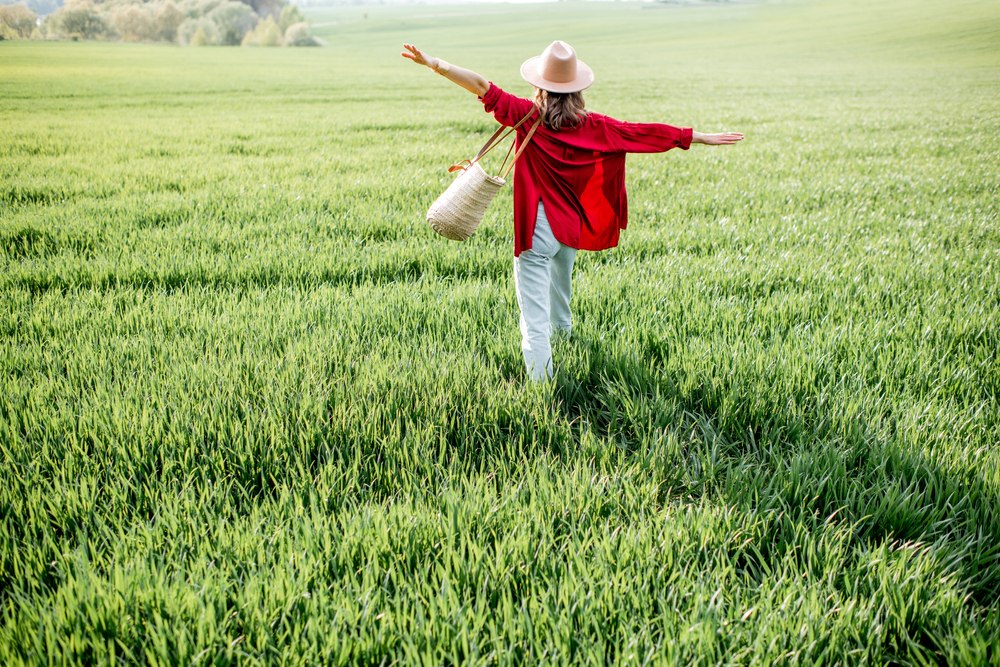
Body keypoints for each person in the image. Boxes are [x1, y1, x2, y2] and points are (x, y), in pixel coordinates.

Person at [402, 41, 743, 381]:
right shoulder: (597, 126)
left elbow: (481, 86)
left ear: (539, 86)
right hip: (570, 229)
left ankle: (543, 390)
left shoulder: (526, 115)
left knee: (534, 322)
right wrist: (697, 137)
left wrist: (435, 64)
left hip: (536, 232)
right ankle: (565, 339)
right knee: (560, 294)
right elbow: (643, 133)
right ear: (578, 91)